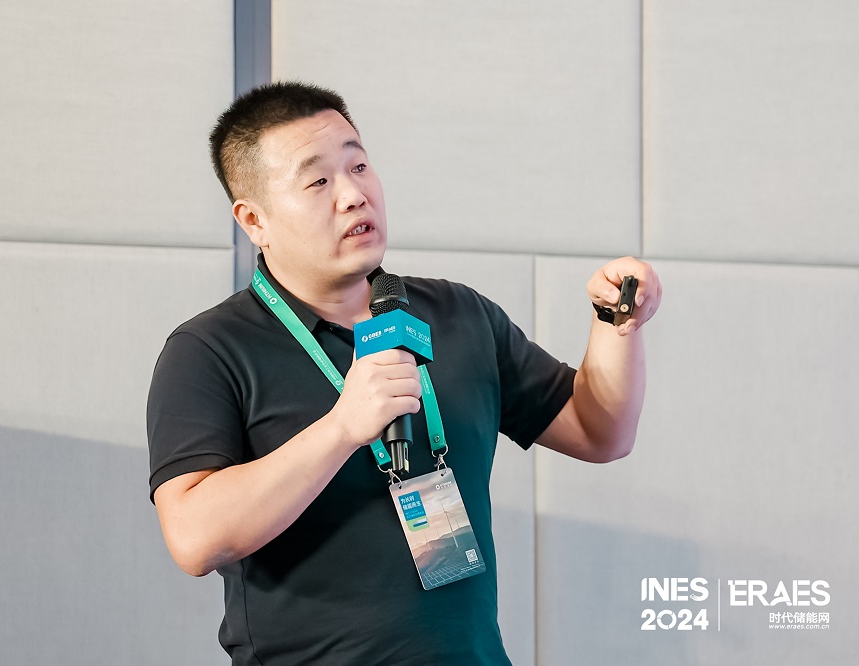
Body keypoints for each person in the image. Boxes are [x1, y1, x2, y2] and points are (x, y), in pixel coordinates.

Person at [147, 81, 661, 665]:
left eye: (359, 166)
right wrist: (342, 428)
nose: (353, 195)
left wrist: (616, 322)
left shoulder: (458, 314)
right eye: (318, 181)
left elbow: (600, 431)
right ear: (253, 219)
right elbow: (193, 538)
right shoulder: (209, 351)